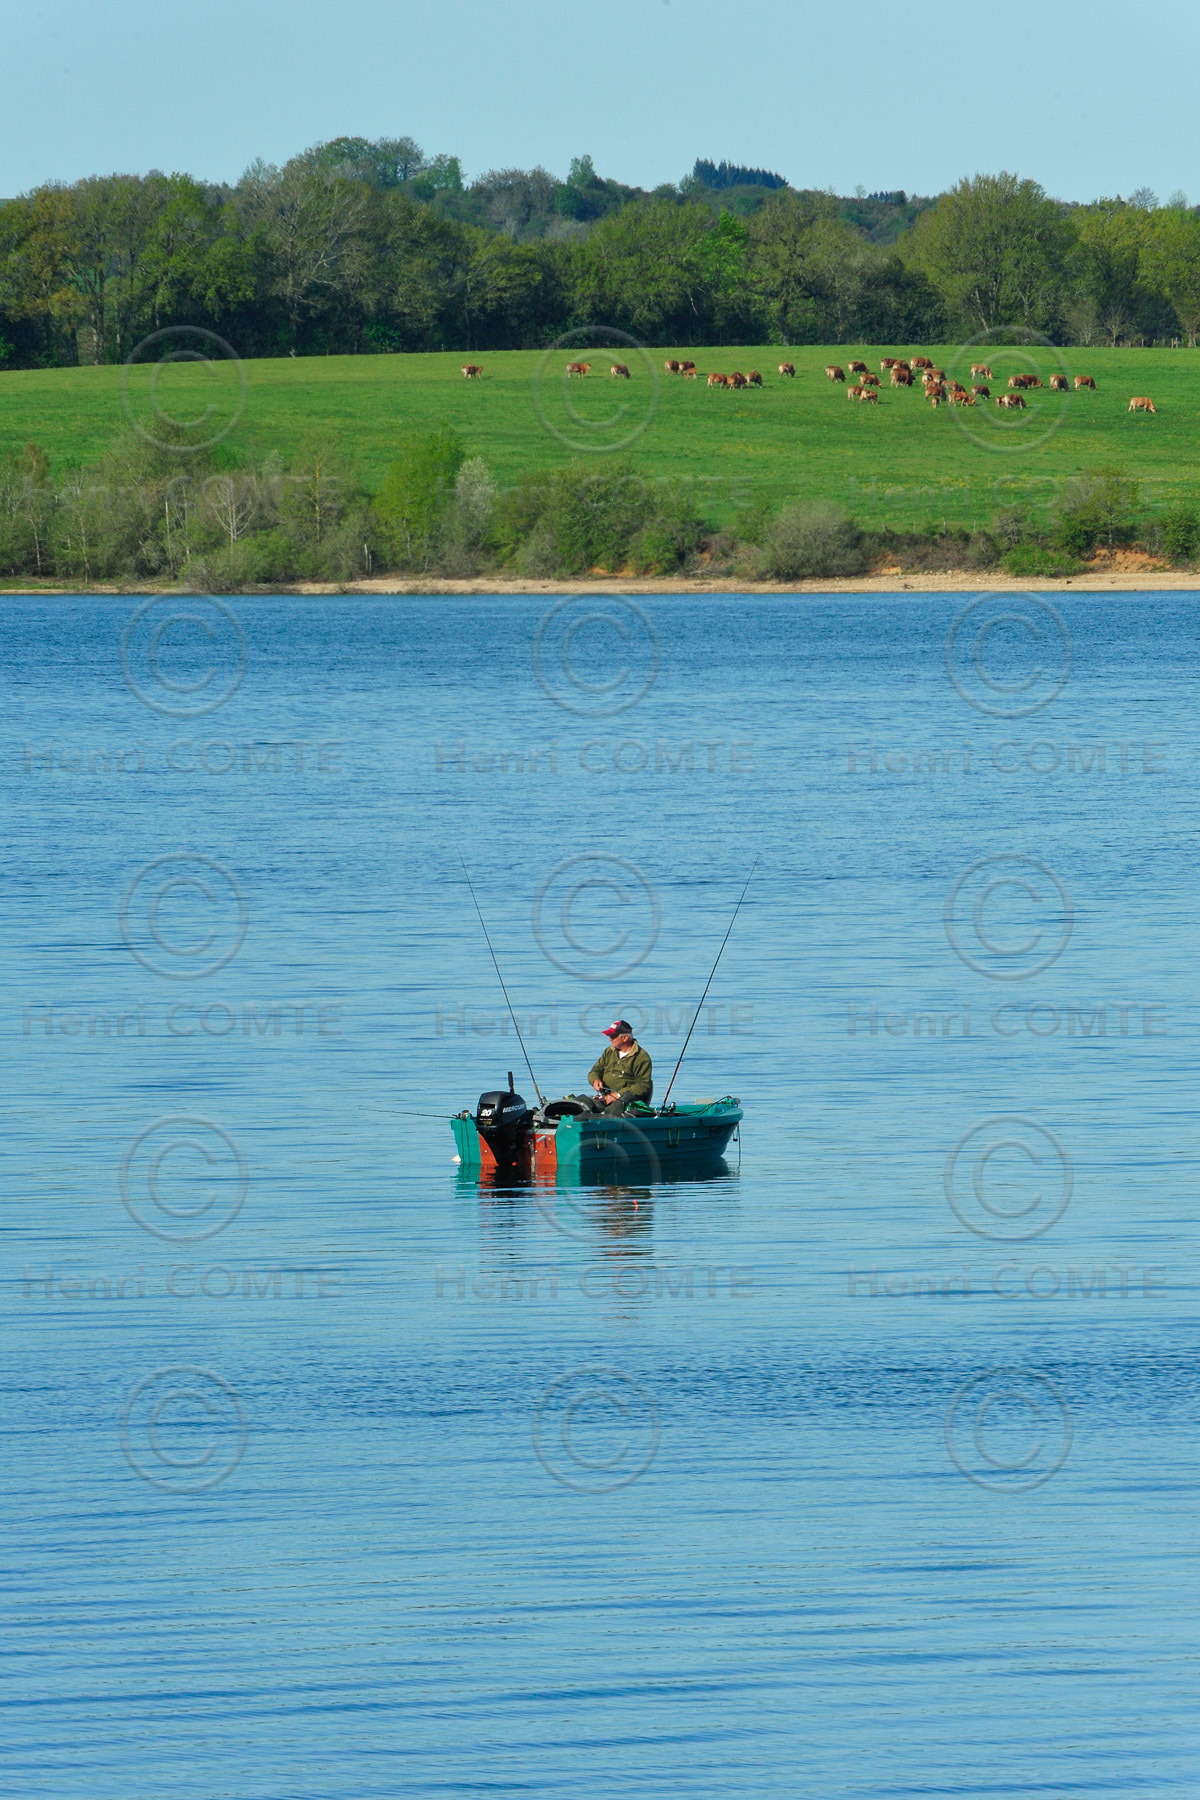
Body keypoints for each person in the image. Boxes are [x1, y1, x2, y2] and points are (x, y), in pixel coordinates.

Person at [585, 1019, 653, 1113]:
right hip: (605, 1097)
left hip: (626, 1100)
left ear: (625, 1038)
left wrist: (618, 1095)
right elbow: (594, 1071)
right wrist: (595, 1080)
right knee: (582, 1103)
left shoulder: (642, 1057)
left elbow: (643, 1085)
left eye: (613, 1036)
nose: (610, 1039)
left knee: (613, 1109)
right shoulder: (609, 1051)